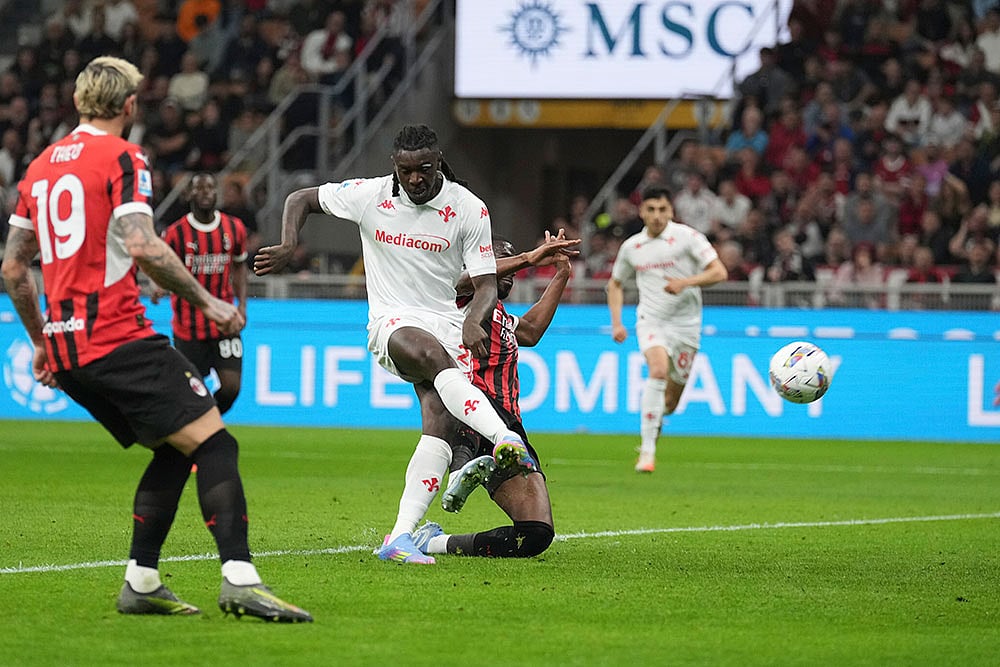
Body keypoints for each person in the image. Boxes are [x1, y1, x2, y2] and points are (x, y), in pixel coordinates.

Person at [0, 56, 310, 622]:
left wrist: (42, 342)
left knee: (176, 447)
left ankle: (141, 582)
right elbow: (142, 244)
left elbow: (14, 270)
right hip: (117, 336)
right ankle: (240, 578)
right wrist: (211, 302)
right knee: (217, 445)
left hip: (67, 349)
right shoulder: (124, 156)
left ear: (77, 102)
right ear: (129, 106)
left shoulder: (38, 167)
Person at [253, 123, 578, 563]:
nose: (416, 179)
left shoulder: (468, 208)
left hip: (448, 328)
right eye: (407, 171)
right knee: (429, 354)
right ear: (395, 166)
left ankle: (403, 537)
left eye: (424, 169)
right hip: (393, 322)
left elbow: (485, 284)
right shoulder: (370, 195)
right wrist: (290, 242)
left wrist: (474, 321)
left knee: (441, 429)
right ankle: (497, 442)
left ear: (438, 161)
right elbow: (302, 198)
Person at [408, 234, 574, 558]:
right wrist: (527, 256)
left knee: (536, 534)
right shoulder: (459, 300)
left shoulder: (501, 317)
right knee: (465, 421)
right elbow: (464, 280)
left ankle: (432, 542)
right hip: (470, 406)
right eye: (500, 262)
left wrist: (561, 275)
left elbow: (531, 331)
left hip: (510, 425)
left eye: (511, 266)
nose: (508, 272)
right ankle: (460, 470)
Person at [606, 186, 728, 473]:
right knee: (657, 370)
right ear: (642, 211)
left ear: (671, 211)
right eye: (651, 210)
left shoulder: (688, 238)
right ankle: (646, 454)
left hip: (686, 325)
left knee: (670, 402)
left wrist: (685, 283)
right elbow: (615, 283)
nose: (657, 216)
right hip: (651, 320)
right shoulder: (632, 247)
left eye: (662, 210)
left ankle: (655, 422)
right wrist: (617, 322)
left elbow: (719, 272)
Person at [154, 172, 248, 415]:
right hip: (189, 327)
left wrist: (242, 306)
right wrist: (159, 285)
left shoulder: (234, 228)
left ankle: (208, 422)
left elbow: (239, 267)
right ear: (189, 194)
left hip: (224, 321)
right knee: (189, 391)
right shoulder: (176, 233)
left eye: (210, 187)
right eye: (199, 188)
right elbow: (163, 268)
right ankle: (197, 426)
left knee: (231, 387)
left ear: (216, 193)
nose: (205, 192)